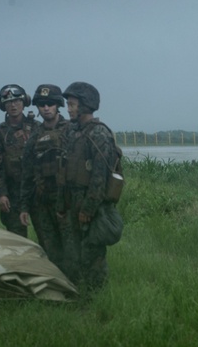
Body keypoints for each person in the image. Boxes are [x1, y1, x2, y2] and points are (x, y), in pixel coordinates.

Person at [61, 81, 123, 291]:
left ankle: (95, 297)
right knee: (76, 251)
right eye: (67, 104)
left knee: (92, 253)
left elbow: (99, 178)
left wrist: (88, 209)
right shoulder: (74, 132)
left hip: (91, 205)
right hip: (75, 200)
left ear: (85, 105)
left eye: (72, 104)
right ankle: (81, 292)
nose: (68, 109)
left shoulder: (99, 134)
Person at [18, 84, 73, 278]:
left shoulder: (71, 132)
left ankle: (77, 286)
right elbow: (27, 175)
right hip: (41, 202)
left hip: (66, 202)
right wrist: (24, 207)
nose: (46, 108)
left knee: (71, 247)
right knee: (50, 247)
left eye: (50, 104)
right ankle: (58, 285)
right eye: (42, 104)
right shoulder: (33, 138)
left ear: (58, 105)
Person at [0, 84, 36, 239]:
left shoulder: (36, 128)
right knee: (16, 239)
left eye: (16, 101)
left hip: (37, 190)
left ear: (24, 102)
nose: (13, 105)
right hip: (13, 191)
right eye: (8, 102)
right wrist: (1, 193)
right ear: (3, 106)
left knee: (48, 236)